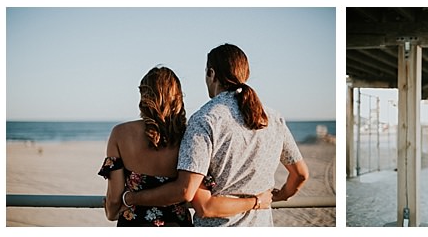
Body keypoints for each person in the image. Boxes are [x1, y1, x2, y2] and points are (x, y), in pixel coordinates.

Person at [125, 43, 309, 227]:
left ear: (211, 73)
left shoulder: (205, 120)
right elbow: (300, 174)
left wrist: (132, 197)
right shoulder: (273, 118)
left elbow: (197, 199)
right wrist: (278, 196)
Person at [97, 66, 193, 226]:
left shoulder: (120, 134)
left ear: (144, 97)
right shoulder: (190, 137)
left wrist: (111, 212)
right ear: (177, 98)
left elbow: (114, 199)